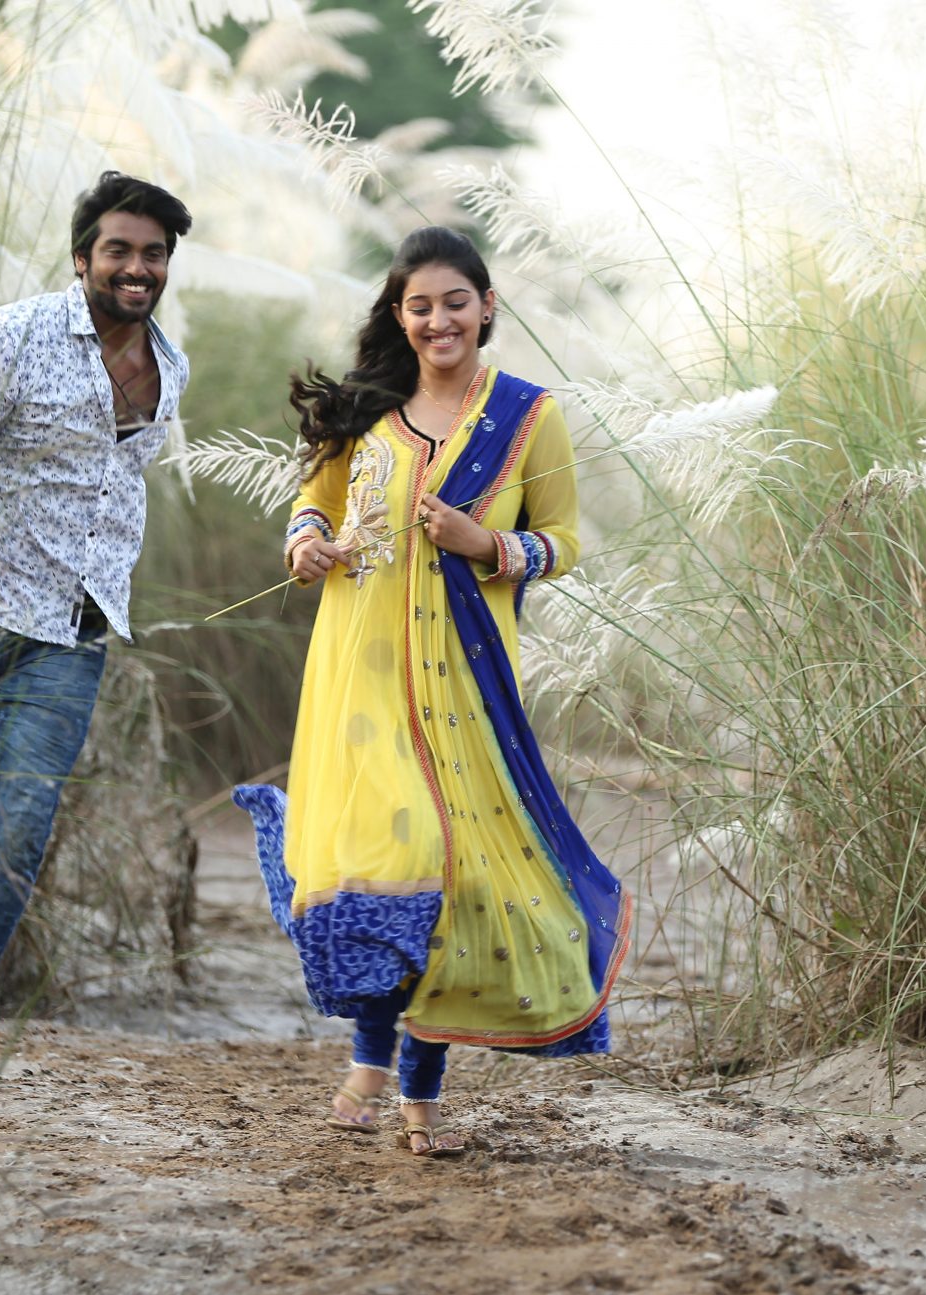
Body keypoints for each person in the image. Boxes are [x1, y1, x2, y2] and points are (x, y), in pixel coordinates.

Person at [234, 227, 631, 1156]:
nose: (439, 320)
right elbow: (313, 503)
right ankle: (373, 1062)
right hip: (361, 670)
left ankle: (417, 1093)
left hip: (464, 682)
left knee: (449, 880)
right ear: (399, 315)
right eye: (420, 306)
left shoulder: (529, 416)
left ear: (487, 307)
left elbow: (564, 541)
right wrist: (305, 545)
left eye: (456, 302)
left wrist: (483, 542)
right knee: (393, 856)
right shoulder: (364, 410)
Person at [0, 172, 192, 1093]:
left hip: (70, 637)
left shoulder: (169, 368)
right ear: (82, 256)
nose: (137, 268)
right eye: (119, 250)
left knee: (19, 838)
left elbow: (112, 489)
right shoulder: (8, 338)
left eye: (154, 253)